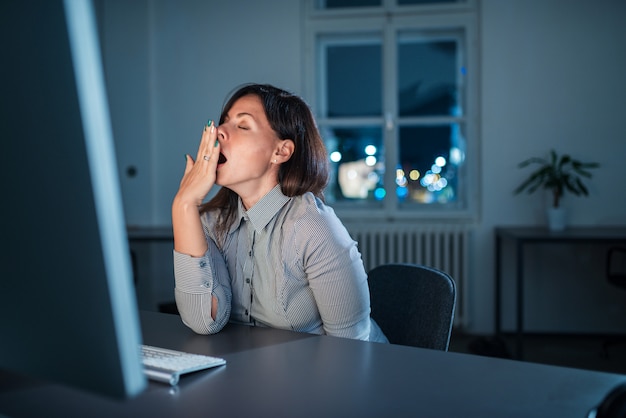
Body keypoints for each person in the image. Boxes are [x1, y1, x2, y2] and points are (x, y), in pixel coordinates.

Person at [172, 83, 387, 343]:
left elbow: (352, 348)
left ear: (280, 151)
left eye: (242, 125)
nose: (219, 132)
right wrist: (184, 205)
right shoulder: (211, 222)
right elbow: (204, 321)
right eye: (224, 122)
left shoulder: (313, 226)